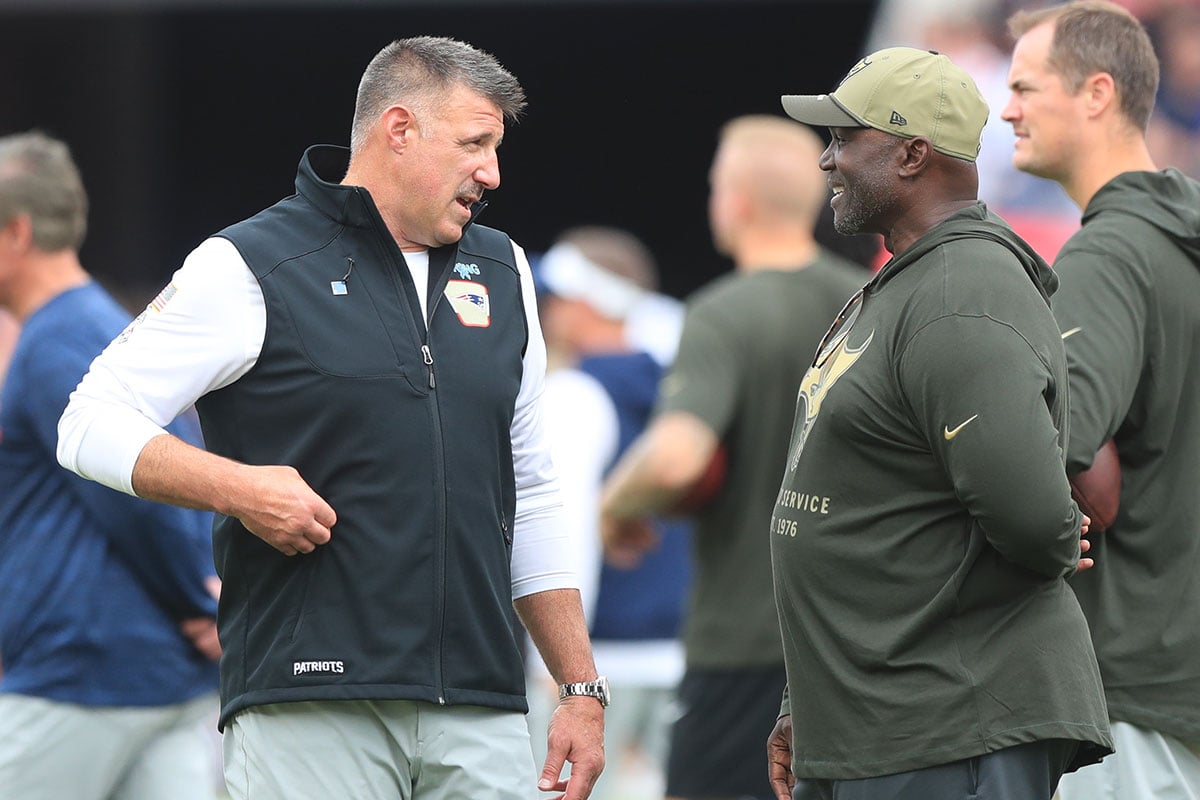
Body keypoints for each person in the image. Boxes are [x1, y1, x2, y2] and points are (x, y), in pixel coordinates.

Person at [57, 36, 605, 800]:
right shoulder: (247, 261)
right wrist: (238, 489)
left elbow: (535, 492)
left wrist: (580, 687)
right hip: (308, 701)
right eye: (475, 143)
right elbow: (88, 421)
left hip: (482, 705)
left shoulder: (505, 270)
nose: (493, 172)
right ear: (400, 129)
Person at [769, 47, 1112, 800]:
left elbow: (1029, 515)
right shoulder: (912, 280)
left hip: (951, 722)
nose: (827, 161)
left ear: (912, 153)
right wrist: (809, 704)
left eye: (842, 139)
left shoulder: (963, 288)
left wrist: (1056, 528)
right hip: (879, 721)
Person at [599, 114, 868, 800]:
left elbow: (674, 461)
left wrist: (611, 509)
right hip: (859, 646)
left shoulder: (722, 313)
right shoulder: (867, 303)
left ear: (737, 199)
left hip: (745, 647)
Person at [1003, 3, 1200, 796]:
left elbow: (1054, 449)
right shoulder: (1176, 236)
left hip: (1130, 697)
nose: (1006, 108)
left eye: (1024, 86)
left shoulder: (1112, 252)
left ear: (1096, 93)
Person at [0, 131, 221, 799]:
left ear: (16, 232)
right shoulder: (99, 323)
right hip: (155, 678)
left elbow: (138, 486)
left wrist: (198, 596)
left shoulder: (58, 340)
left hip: (82, 676)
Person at [528, 226, 690, 800]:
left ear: (582, 306)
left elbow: (564, 537)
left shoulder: (573, 395)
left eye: (555, 299)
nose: (546, 312)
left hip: (597, 667)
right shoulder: (686, 389)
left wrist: (564, 670)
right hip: (680, 657)